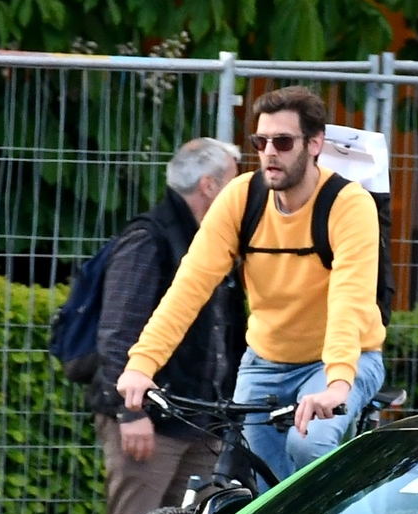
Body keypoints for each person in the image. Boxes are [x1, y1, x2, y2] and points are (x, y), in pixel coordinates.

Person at [114, 87, 385, 486]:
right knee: (264, 488)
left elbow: (350, 299)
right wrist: (142, 364)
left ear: (315, 144)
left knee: (308, 447)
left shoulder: (348, 204)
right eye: (261, 142)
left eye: (283, 141)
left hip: (336, 361)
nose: (269, 152)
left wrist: (337, 384)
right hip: (265, 363)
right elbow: (190, 286)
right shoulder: (241, 199)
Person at [92, 137, 241, 514]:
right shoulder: (150, 238)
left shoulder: (212, 240)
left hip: (199, 417)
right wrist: (130, 412)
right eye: (234, 178)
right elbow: (118, 332)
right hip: (152, 422)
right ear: (210, 185)